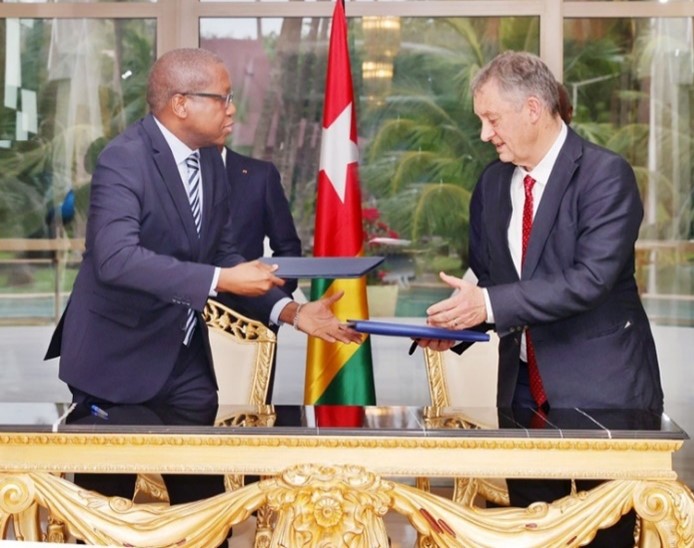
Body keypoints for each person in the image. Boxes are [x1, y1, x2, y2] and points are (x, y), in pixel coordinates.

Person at [44, 48, 361, 522]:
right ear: (181, 103)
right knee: (108, 518)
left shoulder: (210, 161)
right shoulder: (123, 159)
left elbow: (223, 253)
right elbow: (116, 259)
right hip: (117, 364)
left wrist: (290, 312)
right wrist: (219, 277)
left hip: (187, 366)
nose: (232, 108)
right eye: (223, 98)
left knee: (206, 514)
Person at [418, 51, 663, 547]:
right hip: (523, 394)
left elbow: (591, 279)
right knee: (533, 533)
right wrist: (458, 327)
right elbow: (493, 281)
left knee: (607, 535)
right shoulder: (490, 185)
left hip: (605, 392)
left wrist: (485, 305)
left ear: (533, 108)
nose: (485, 134)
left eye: (491, 119)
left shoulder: (604, 175)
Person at [217, 144, 302, 403]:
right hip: (174, 330)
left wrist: (271, 308)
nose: (228, 111)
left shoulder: (258, 174)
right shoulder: (165, 172)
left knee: (249, 420)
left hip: (247, 326)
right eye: (220, 102)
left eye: (228, 102)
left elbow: (287, 248)